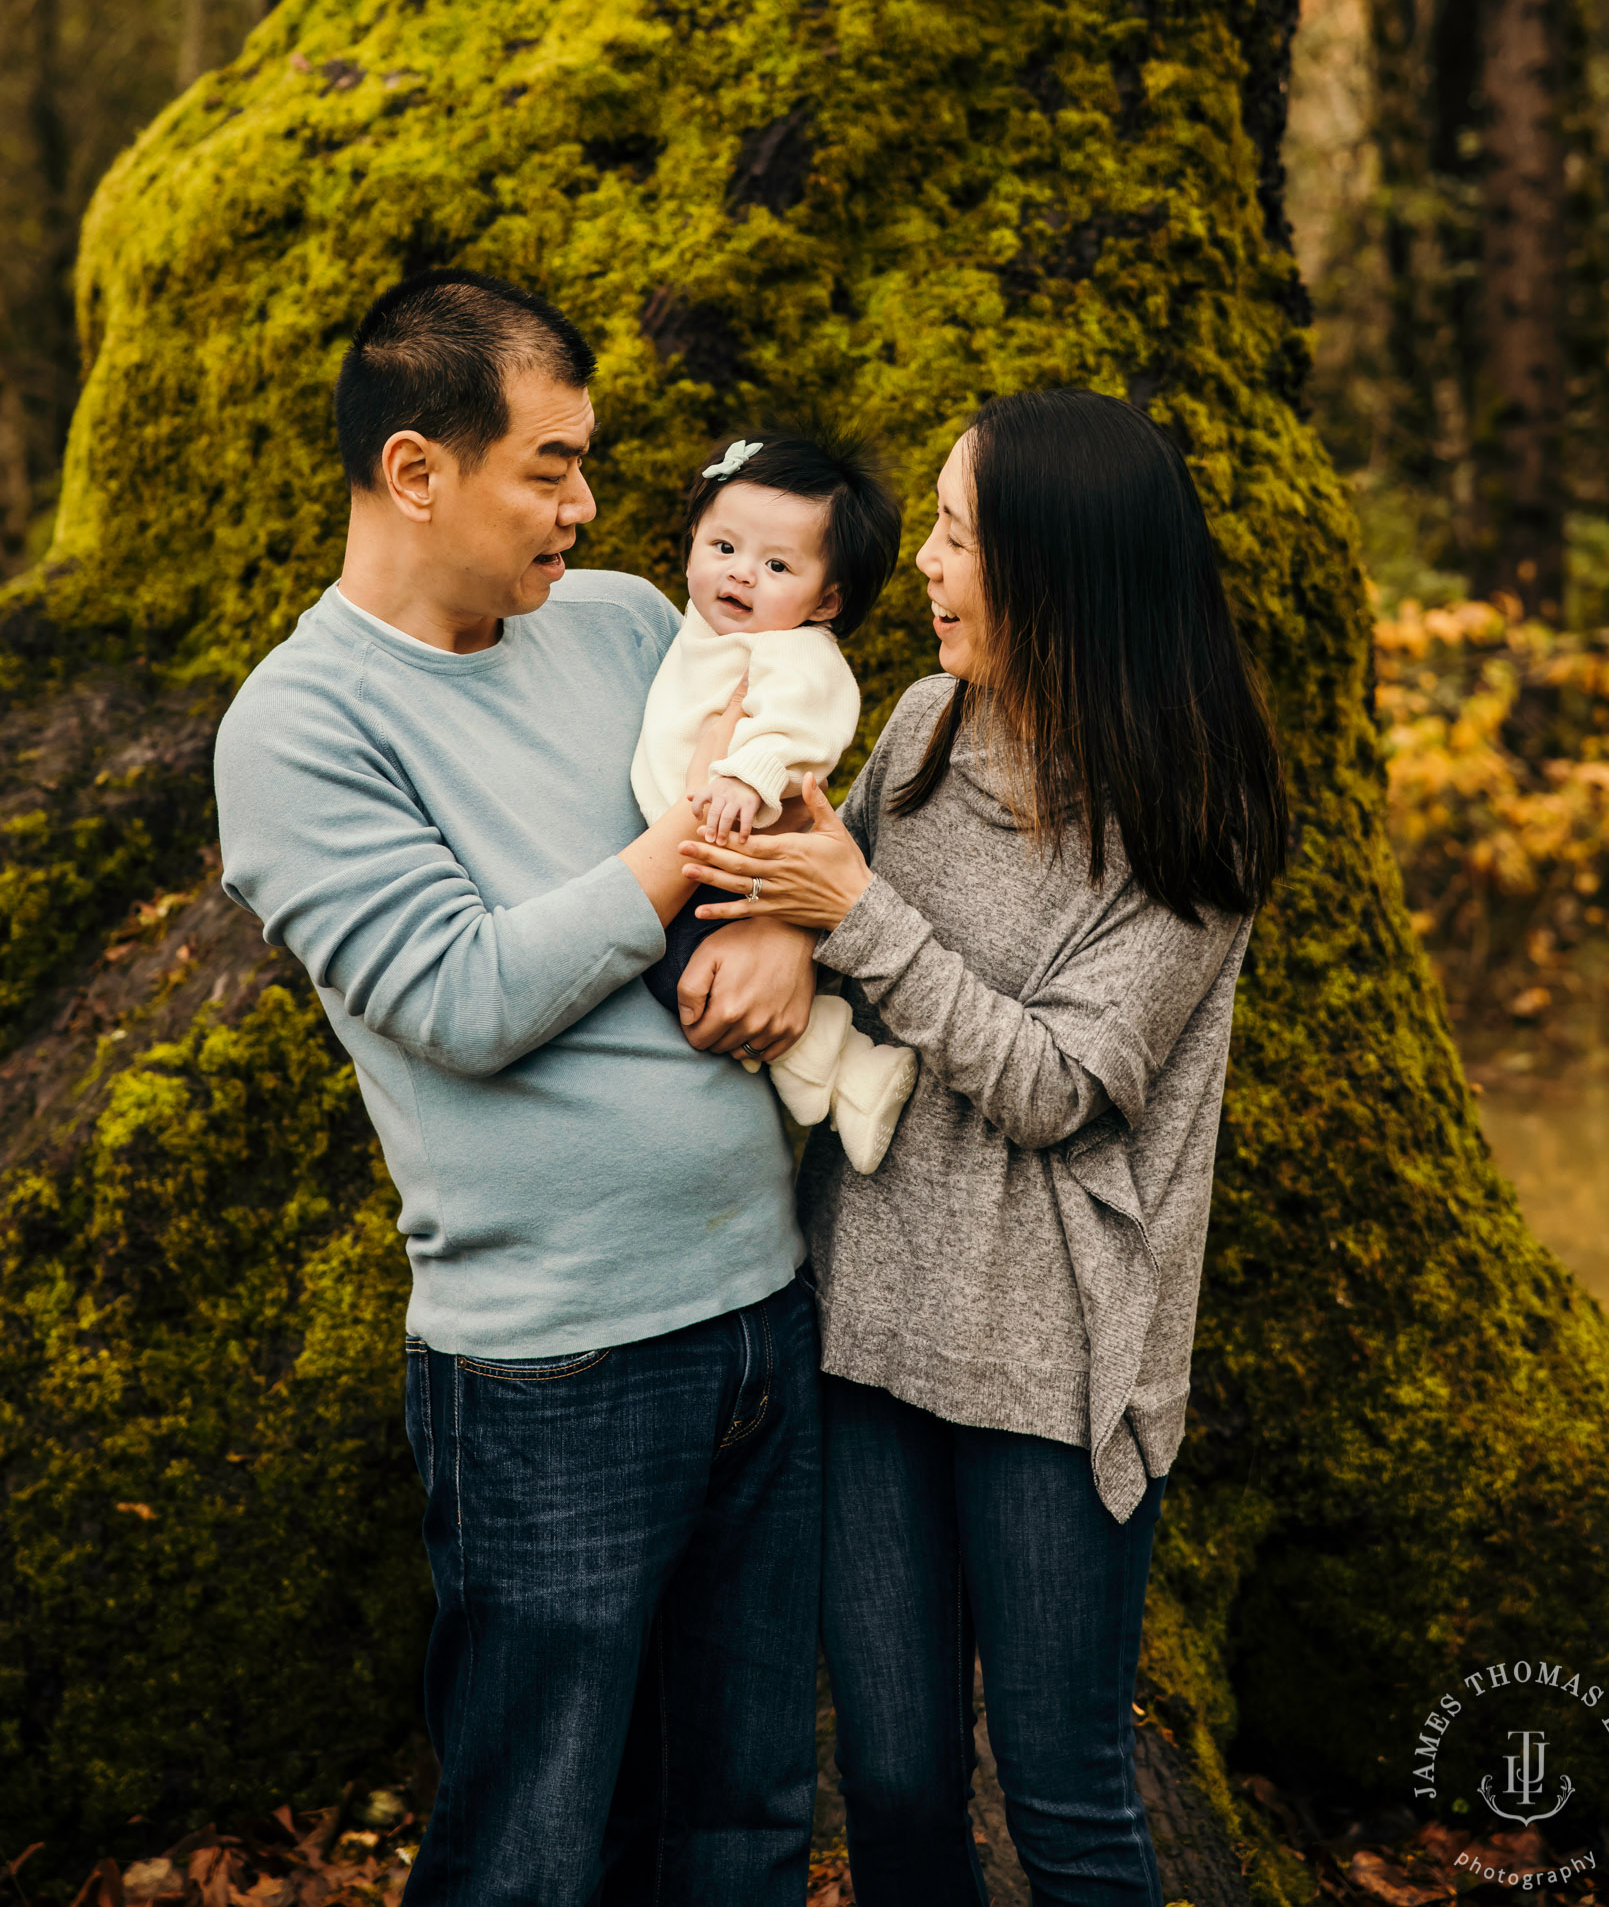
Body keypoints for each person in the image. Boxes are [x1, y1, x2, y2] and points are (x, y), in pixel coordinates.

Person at [213, 268, 824, 1907]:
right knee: (533, 1848)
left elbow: (779, 806)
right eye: (547, 467)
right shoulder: (297, 729)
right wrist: (673, 859)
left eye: (588, 464)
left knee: (745, 1821)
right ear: (418, 471)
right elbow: (463, 995)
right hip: (555, 1379)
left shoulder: (629, 624)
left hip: (765, 1318)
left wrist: (777, 933)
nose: (586, 505)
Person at [679, 387, 1288, 1907]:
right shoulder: (920, 726)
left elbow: (1064, 1084)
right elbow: (812, 911)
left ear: (1055, 569)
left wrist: (856, 919)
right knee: (887, 1784)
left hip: (1052, 1369)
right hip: (865, 1326)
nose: (926, 569)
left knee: (1064, 1793)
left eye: (956, 537)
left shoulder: (1189, 811)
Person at [633, 430, 916, 1171]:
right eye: (723, 547)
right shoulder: (699, 627)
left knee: (686, 977)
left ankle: (846, 1068)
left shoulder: (796, 652)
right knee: (686, 978)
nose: (741, 576)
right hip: (700, 857)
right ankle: (825, 1074)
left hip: (739, 858)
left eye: (777, 565)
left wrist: (747, 772)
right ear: (693, 535)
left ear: (826, 599)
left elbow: (808, 724)